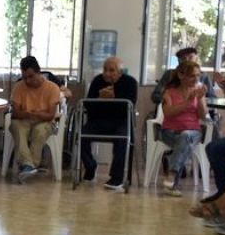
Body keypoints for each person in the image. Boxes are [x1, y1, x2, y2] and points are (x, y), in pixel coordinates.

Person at [79, 56, 138, 190]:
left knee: (122, 139)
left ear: (120, 72)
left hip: (120, 121)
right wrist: (99, 98)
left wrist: (114, 98)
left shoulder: (130, 82)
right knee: (81, 135)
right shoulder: (97, 81)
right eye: (105, 69)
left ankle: (117, 178)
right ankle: (90, 166)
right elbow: (88, 106)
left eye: (112, 70)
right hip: (98, 121)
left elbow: (129, 107)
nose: (106, 73)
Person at [9, 55, 63, 184]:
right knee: (16, 127)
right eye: (24, 77)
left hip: (45, 121)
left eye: (31, 76)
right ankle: (29, 165)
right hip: (24, 119)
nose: (27, 80)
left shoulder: (52, 88)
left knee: (40, 131)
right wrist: (28, 114)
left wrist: (36, 114)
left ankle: (28, 165)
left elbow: (50, 115)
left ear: (39, 72)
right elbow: (15, 113)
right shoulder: (19, 87)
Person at [159, 61, 208, 197]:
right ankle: (173, 183)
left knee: (185, 136)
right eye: (192, 76)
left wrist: (200, 98)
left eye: (198, 76)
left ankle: (172, 173)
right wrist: (187, 102)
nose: (196, 79)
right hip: (170, 132)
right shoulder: (169, 92)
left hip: (193, 132)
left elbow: (203, 116)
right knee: (183, 140)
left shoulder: (198, 92)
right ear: (181, 75)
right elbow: (168, 113)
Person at [151, 46, 216, 106]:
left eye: (190, 57)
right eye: (183, 58)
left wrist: (200, 98)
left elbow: (212, 98)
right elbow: (155, 95)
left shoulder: (203, 76)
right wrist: (170, 100)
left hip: (197, 111)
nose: (187, 60)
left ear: (196, 58)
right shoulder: (170, 74)